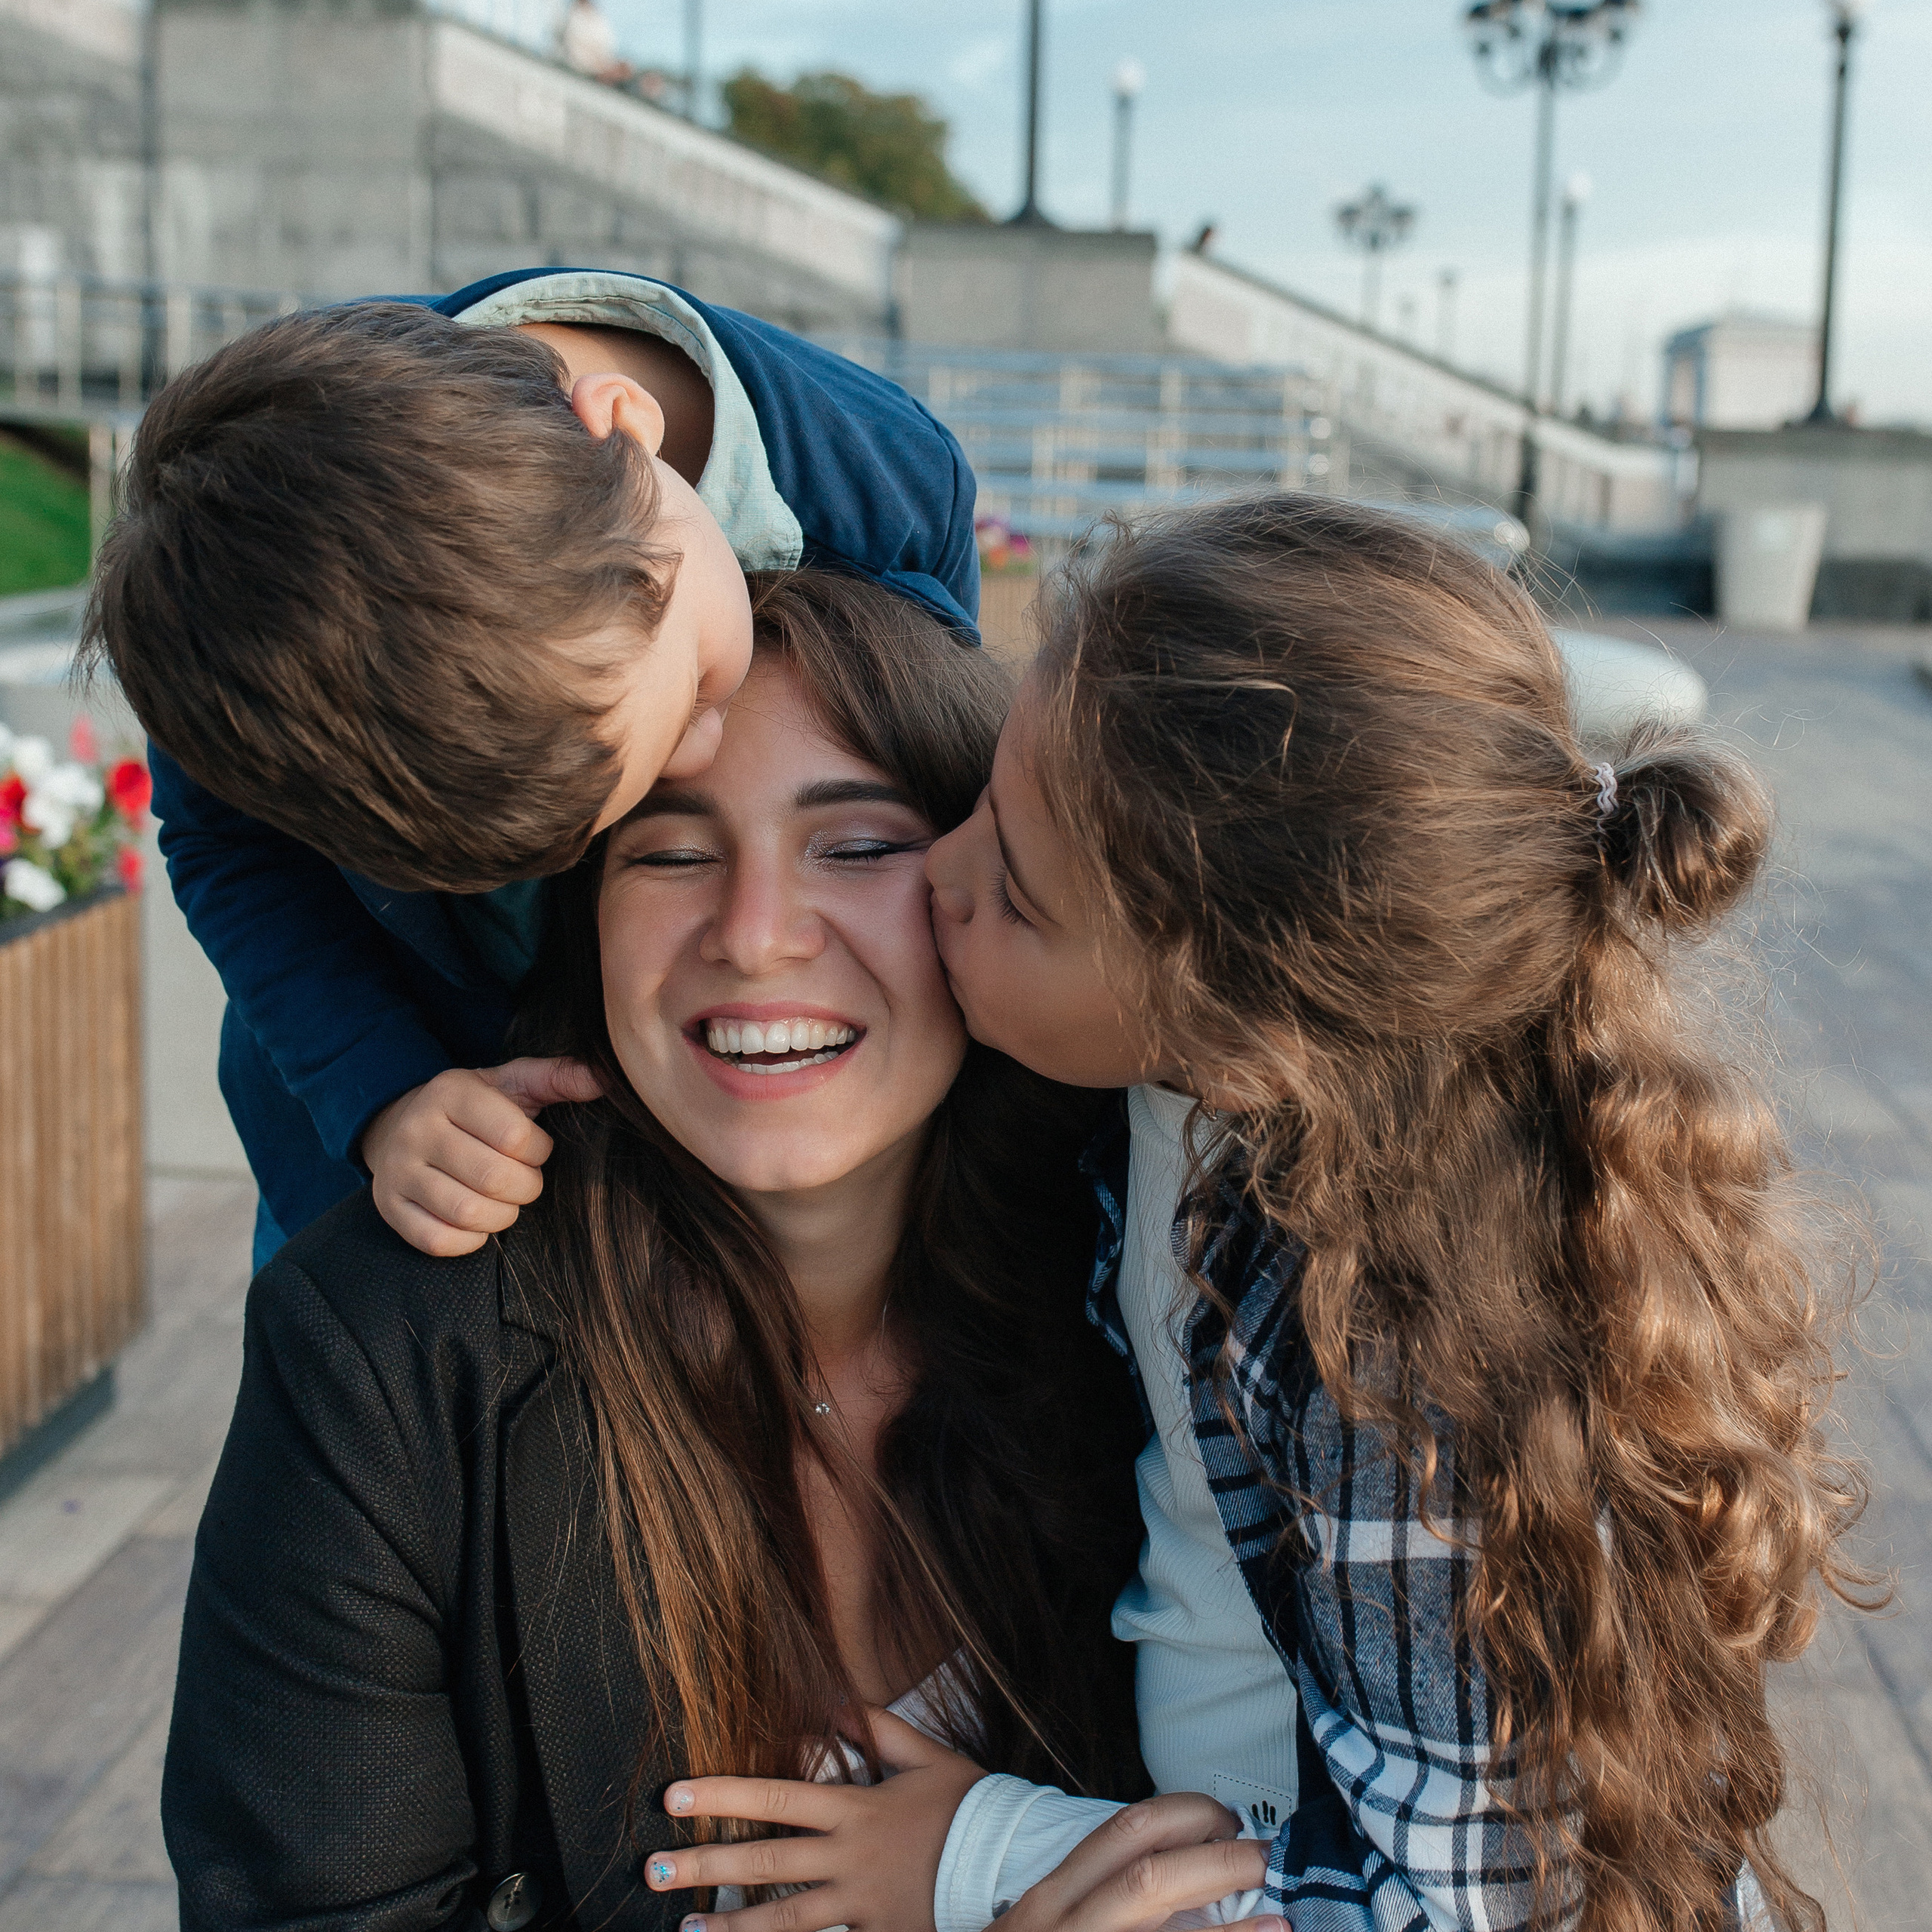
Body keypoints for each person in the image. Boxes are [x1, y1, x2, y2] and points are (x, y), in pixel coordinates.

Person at [661, 497, 1869, 1932]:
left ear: (1237, 1031)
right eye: (985, 795)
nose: (940, 870)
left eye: (1020, 896)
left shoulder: (1391, 1359)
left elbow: (1466, 1912)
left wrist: (979, 1860)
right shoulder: (1230, 1066)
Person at [162, 573, 1188, 1932]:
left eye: (857, 846)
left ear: (994, 894)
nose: (757, 936)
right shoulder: (379, 1357)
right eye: (669, 853)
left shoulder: (1163, 1308)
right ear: (581, 920)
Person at [82, 270, 980, 1270]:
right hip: (422, 1134)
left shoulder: (890, 479)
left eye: (691, 690)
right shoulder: (233, 610)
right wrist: (380, 1093)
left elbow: (939, 776)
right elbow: (227, 847)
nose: (699, 754)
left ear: (625, 428)